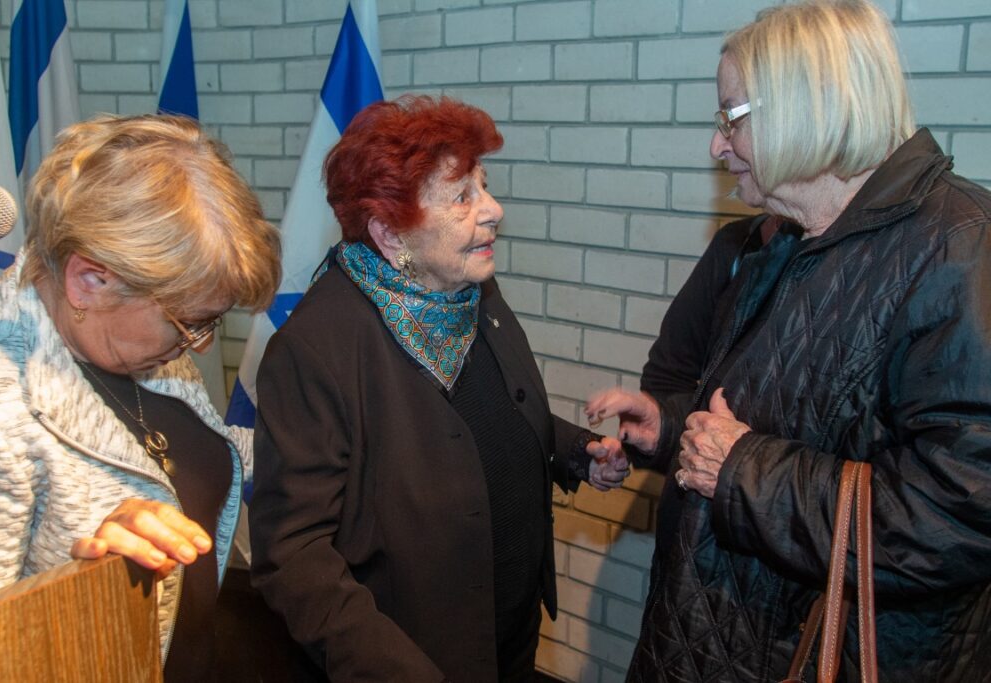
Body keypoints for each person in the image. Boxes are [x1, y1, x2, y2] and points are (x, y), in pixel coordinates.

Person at [586, 1, 991, 680]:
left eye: (731, 117)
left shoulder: (959, 248)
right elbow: (777, 420)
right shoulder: (789, 241)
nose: (717, 146)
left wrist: (742, 471)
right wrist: (675, 425)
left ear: (809, 106)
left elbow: (960, 514)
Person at [249, 95, 631, 683]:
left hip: (510, 636)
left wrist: (576, 450)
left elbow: (492, 416)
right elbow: (293, 556)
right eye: (461, 198)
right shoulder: (315, 350)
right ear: (389, 233)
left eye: (484, 187)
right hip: (411, 659)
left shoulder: (470, 291)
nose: (494, 210)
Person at [0, 114, 282, 680]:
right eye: (191, 323)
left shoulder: (122, 327)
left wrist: (322, 447)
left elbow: (179, 452)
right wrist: (84, 579)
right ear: (89, 280)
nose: (201, 346)